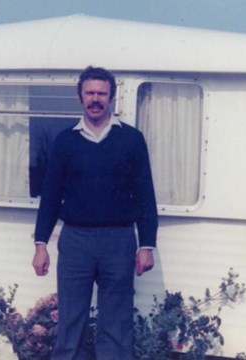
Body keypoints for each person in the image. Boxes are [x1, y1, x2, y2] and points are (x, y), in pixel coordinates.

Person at [32, 66, 158, 360]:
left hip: (119, 240)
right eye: (90, 93)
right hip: (76, 240)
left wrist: (147, 245)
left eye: (102, 93)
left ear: (112, 97)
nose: (95, 99)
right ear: (80, 97)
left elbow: (145, 196)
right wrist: (41, 244)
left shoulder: (131, 140)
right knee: (70, 322)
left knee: (116, 323)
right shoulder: (65, 142)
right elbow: (50, 197)